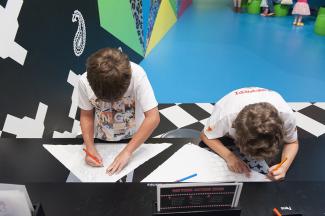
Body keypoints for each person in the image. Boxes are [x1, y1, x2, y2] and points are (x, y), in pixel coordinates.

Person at [78, 48, 160, 175]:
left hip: (136, 137)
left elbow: (153, 117)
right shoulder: (84, 81)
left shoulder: (137, 74)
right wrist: (89, 148)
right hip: (101, 138)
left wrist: (127, 152)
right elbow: (86, 115)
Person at [200, 87, 299, 181]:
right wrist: (230, 157)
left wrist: (283, 167)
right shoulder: (224, 116)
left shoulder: (287, 117)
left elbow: (292, 143)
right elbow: (205, 135)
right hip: (230, 107)